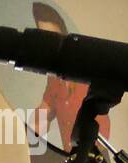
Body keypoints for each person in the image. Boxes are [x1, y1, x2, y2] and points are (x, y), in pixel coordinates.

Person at [33, 2, 110, 146]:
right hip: (71, 157)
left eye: (54, 37)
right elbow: (44, 113)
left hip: (97, 154)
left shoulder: (86, 67)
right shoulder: (54, 79)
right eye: (44, 39)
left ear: (64, 33)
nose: (50, 45)